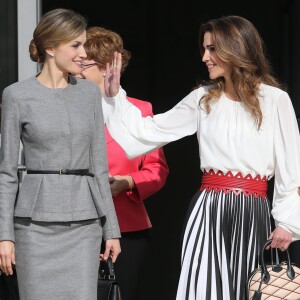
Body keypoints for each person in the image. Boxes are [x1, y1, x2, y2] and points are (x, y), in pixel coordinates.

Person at [104, 16, 300, 299]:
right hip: (208, 210)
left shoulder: (275, 99)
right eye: (204, 49)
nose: (204, 57)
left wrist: (287, 222)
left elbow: (291, 168)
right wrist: (116, 96)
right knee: (204, 289)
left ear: (235, 50)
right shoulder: (202, 99)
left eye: (212, 49)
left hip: (253, 211)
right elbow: (148, 131)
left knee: (248, 290)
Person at [0, 8, 121, 300]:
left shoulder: (90, 95)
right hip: (33, 227)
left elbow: (99, 166)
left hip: (83, 225)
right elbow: (6, 173)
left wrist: (111, 229)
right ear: (51, 47)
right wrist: (5, 235)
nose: (83, 53)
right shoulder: (16, 95)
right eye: (76, 45)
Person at [75, 26, 169, 300]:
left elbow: (157, 170)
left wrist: (127, 182)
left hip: (127, 226)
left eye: (84, 65)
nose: (76, 71)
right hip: (76, 224)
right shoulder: (68, 110)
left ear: (107, 67)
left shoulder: (141, 111)